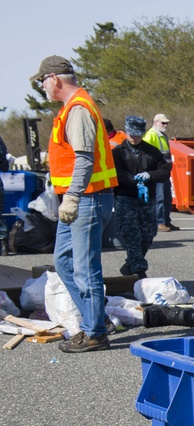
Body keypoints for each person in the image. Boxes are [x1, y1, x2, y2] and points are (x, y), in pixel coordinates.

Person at [32, 55, 117, 353]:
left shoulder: (78, 108)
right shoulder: (71, 108)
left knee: (84, 268)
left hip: (86, 199)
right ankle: (98, 318)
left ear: (54, 79)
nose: (41, 86)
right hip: (83, 199)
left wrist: (71, 196)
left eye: (42, 80)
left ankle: (95, 332)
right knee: (64, 262)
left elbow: (83, 158)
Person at [111, 116, 170, 279]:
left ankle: (130, 266)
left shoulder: (152, 152)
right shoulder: (118, 152)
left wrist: (150, 175)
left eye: (137, 134)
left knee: (148, 233)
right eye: (131, 134)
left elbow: (165, 172)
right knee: (132, 234)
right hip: (125, 197)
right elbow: (117, 173)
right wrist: (133, 181)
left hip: (146, 199)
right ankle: (139, 270)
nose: (134, 138)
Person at [143, 114, 178, 232]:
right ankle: (160, 222)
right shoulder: (151, 135)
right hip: (157, 172)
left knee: (167, 198)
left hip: (165, 172)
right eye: (163, 123)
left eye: (166, 123)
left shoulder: (162, 135)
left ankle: (166, 221)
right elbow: (146, 154)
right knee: (160, 198)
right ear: (155, 122)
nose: (165, 125)